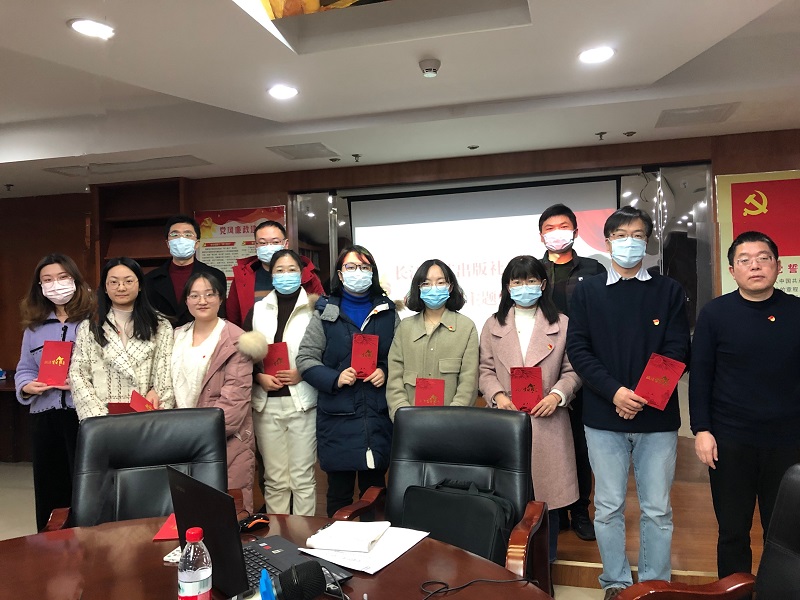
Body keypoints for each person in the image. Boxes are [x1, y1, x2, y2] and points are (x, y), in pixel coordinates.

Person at [566, 206, 690, 599]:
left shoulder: (668, 291)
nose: (629, 242)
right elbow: (579, 350)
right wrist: (616, 393)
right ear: (607, 243)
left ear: (647, 241)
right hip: (603, 418)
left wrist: (642, 396)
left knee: (657, 509)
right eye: (620, 236)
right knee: (607, 506)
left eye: (637, 235)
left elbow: (677, 348)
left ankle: (654, 583)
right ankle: (616, 583)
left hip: (657, 419)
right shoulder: (586, 291)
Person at [690, 231, 800, 578]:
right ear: (732, 270)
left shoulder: (796, 310)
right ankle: (734, 593)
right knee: (733, 531)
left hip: (788, 442)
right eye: (745, 260)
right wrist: (702, 430)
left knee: (785, 533)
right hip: (730, 441)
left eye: (764, 258)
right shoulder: (715, 314)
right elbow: (701, 376)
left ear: (778, 266)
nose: (755, 266)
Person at [479, 255, 581, 566]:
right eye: (517, 281)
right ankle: (509, 565)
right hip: (507, 419)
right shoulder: (493, 324)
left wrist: (557, 396)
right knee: (508, 498)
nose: (525, 287)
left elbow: (573, 370)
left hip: (548, 418)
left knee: (548, 499)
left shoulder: (562, 323)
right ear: (507, 287)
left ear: (543, 284)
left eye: (531, 280)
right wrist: (498, 396)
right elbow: (485, 370)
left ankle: (545, 564)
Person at [296, 245, 399, 517]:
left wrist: (385, 370)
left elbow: (400, 358)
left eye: (364, 267)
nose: (358, 273)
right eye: (351, 267)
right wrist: (335, 378)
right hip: (337, 417)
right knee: (339, 495)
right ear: (340, 274)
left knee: (375, 493)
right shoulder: (325, 312)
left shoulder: (387, 312)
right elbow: (305, 359)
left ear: (373, 273)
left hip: (376, 416)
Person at [539, 203, 606, 542]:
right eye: (549, 228)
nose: (557, 233)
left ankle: (579, 509)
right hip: (541, 368)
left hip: (583, 365)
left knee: (580, 444)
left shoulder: (594, 269)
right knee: (547, 443)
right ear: (541, 235)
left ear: (576, 231)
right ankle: (552, 510)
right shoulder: (532, 270)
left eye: (563, 226)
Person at [14, 254, 95, 531]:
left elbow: (104, 368)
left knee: (84, 485)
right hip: (45, 415)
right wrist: (26, 386)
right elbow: (24, 368)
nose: (55, 284)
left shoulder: (92, 321)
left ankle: (87, 543)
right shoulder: (34, 327)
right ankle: (49, 546)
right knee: (49, 487)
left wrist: (81, 381)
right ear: (39, 286)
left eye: (62, 277)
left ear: (75, 280)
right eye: (47, 280)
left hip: (82, 414)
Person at [172, 272, 263, 514]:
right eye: (194, 295)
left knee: (226, 515)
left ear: (220, 298)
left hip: (225, 442)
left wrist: (194, 435)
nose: (202, 301)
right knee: (188, 515)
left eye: (209, 294)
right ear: (186, 300)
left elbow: (234, 402)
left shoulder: (236, 340)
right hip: (180, 441)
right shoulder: (175, 336)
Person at [250, 249, 319, 516]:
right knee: (275, 479)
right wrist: (258, 377)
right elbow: (244, 354)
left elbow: (325, 351)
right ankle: (277, 534)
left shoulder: (315, 308)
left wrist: (304, 372)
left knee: (302, 478)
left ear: (301, 273)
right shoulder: (257, 310)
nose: (286, 275)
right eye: (280, 270)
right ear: (271, 273)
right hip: (266, 404)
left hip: (303, 401)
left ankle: (304, 535)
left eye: (292, 269)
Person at [70, 257, 175, 420]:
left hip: (147, 417)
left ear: (140, 285)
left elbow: (166, 372)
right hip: (103, 419)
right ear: (105, 287)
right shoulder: (90, 326)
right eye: (114, 282)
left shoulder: (159, 326)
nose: (121, 287)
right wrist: (97, 417)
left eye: (128, 281)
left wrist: (157, 396)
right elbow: (78, 374)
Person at [386, 259, 478, 420]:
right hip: (410, 423)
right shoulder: (405, 328)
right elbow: (395, 378)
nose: (434, 288)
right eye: (426, 284)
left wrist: (452, 418)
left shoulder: (466, 327)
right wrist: (404, 416)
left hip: (452, 423)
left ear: (450, 287)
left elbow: (468, 382)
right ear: (418, 288)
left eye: (440, 282)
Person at [227, 220, 325, 328]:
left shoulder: (308, 276)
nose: (269, 247)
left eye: (275, 242)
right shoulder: (243, 277)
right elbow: (233, 321)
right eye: (263, 243)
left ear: (285, 244)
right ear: (256, 245)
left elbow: (323, 313)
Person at [144, 215, 227, 327]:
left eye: (188, 234)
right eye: (175, 235)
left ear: (197, 243)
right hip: (163, 336)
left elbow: (220, 316)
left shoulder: (216, 276)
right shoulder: (150, 279)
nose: (181, 239)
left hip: (202, 335)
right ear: (168, 243)